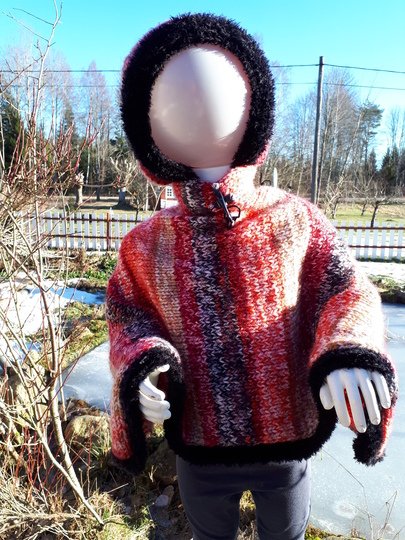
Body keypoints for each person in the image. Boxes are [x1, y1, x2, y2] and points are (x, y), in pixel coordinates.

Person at [106, 14, 398, 540]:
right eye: (172, 92)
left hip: (286, 441)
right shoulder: (146, 246)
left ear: (254, 107)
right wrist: (142, 364)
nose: (197, 101)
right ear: (145, 126)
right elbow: (128, 316)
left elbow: (347, 288)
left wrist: (349, 346)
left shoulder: (296, 221)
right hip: (200, 441)